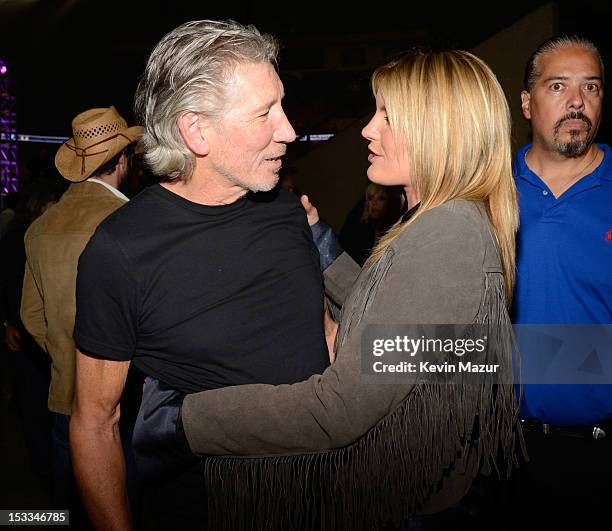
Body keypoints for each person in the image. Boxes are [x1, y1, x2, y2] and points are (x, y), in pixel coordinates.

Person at [178, 49, 523, 530]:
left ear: (439, 131)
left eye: (387, 115)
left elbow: (337, 411)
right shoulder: (445, 222)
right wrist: (322, 244)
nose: (367, 129)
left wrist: (186, 417)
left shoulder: (447, 234)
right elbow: (397, 327)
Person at [70, 20, 334, 531]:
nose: (289, 129)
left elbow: (323, 333)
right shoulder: (120, 251)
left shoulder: (280, 207)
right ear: (196, 131)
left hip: (323, 495)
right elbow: (95, 423)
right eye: (264, 113)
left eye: (281, 105)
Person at [20, 106, 142, 526]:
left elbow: (31, 317)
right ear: (122, 160)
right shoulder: (130, 220)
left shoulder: (39, 228)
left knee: (70, 512)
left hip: (63, 398)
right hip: (124, 402)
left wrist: (64, 352)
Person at [511, 35, 612, 528]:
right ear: (527, 102)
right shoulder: (486, 191)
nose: (577, 101)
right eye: (558, 85)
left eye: (590, 87)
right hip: (502, 456)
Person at [339, 182, 405, 265]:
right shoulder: (357, 230)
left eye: (381, 198)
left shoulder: (397, 232)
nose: (374, 203)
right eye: (370, 198)